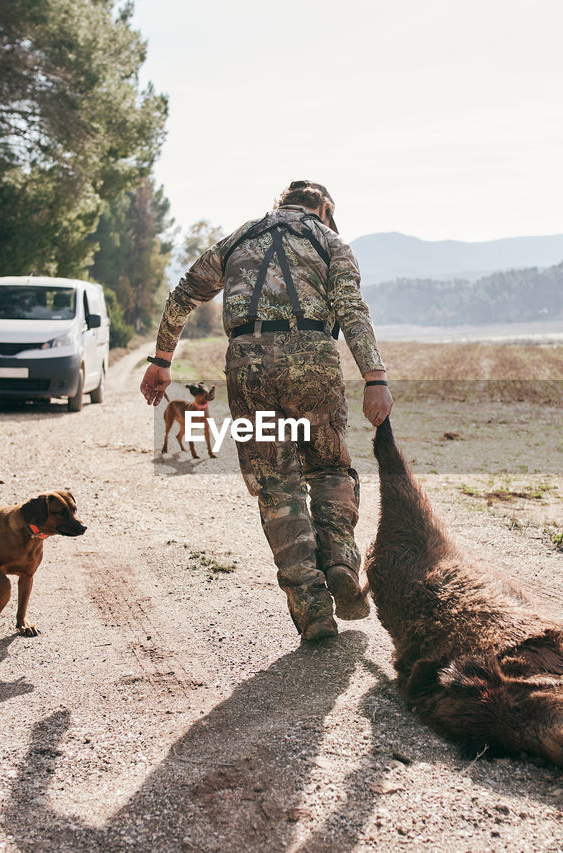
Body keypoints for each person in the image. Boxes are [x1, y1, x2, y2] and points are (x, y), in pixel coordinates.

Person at [140, 180, 393, 642]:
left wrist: (161, 360)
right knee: (331, 467)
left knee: (276, 486)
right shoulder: (330, 240)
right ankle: (339, 559)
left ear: (280, 203)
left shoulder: (239, 237)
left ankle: (311, 605)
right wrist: (374, 378)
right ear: (325, 209)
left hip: (248, 364)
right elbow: (353, 311)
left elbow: (183, 294)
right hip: (312, 360)